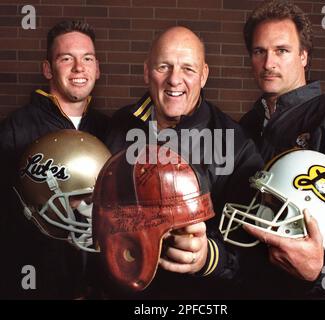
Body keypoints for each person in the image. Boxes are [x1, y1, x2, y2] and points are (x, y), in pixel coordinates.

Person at [169, 0, 325, 299]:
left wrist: (323, 268)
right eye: (260, 51)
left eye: (282, 51)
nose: (269, 63)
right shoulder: (249, 124)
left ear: (303, 56)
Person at [103, 26, 263, 299]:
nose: (174, 80)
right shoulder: (118, 128)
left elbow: (253, 249)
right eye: (164, 66)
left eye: (188, 69)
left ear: (204, 76)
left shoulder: (236, 144)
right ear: (146, 72)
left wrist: (208, 257)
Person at [0, 20, 109, 299]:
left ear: (97, 68)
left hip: (97, 284)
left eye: (87, 58)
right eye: (66, 58)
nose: (79, 68)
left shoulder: (110, 130)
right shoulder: (16, 129)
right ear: (48, 68)